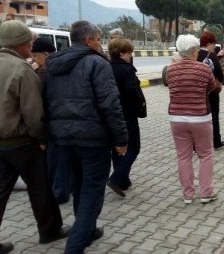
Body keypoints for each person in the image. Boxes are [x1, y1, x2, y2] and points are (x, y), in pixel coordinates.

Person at [45, 20, 128, 253]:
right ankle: (75, 246)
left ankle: (88, 231)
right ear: (89, 40)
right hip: (93, 140)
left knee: (79, 185)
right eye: (99, 39)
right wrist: (121, 139)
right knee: (92, 191)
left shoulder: (53, 64)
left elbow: (46, 101)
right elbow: (111, 105)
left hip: (63, 140)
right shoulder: (96, 63)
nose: (101, 44)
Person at [0, 20, 68, 254]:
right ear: (19, 44)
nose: (31, 47)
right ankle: (49, 230)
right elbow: (33, 113)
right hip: (21, 142)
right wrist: (41, 138)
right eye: (28, 43)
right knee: (40, 187)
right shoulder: (22, 70)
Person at [168, 34, 219, 204]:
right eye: (197, 49)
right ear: (193, 51)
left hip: (176, 118)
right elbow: (214, 86)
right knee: (205, 155)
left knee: (183, 157)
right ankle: (206, 192)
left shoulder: (170, 69)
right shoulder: (203, 69)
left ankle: (187, 195)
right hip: (199, 118)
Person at [31, 37, 73, 204]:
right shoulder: (66, 64)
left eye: (35, 56)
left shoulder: (44, 71)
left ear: (45, 54)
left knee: (55, 161)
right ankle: (67, 189)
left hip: (53, 122)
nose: (33, 59)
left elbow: (38, 99)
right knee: (65, 159)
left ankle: (59, 193)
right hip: (67, 119)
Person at [107, 38, 146, 197]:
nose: (131, 55)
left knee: (116, 148)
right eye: (129, 52)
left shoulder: (106, 66)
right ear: (122, 52)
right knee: (133, 148)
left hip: (111, 114)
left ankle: (123, 179)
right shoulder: (127, 69)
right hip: (127, 114)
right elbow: (131, 92)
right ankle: (116, 178)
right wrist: (139, 105)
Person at [197, 31, 224, 149]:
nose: (214, 46)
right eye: (213, 44)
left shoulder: (195, 54)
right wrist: (221, 80)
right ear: (209, 43)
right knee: (214, 115)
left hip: (199, 91)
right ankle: (216, 141)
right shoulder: (212, 55)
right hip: (212, 91)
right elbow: (219, 72)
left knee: (199, 115)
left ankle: (198, 142)